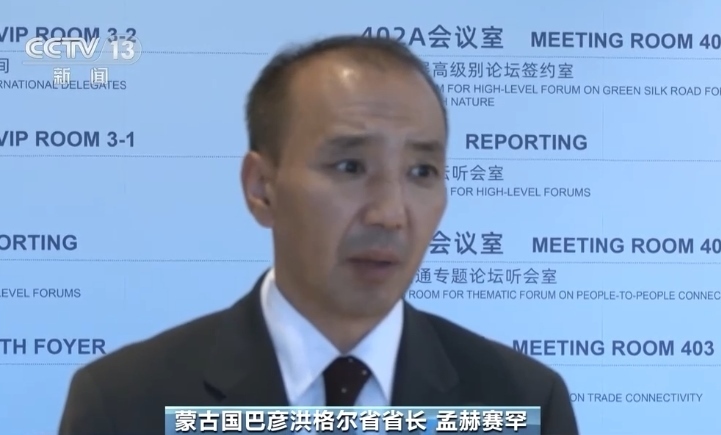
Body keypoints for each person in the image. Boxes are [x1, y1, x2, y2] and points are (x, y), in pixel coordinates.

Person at [58, 35, 578, 434]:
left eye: (422, 172)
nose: (390, 214)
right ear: (262, 188)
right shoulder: (126, 404)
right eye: (350, 167)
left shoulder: (524, 402)